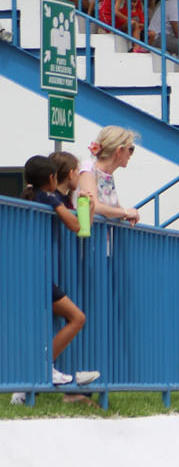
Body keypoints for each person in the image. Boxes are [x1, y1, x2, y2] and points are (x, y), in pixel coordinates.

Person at [21, 155, 100, 390]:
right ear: (52, 178)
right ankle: (42, 368)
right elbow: (78, 228)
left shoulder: (37, 195)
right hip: (38, 273)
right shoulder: (49, 197)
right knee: (77, 318)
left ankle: (30, 381)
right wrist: (87, 206)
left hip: (31, 271)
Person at [78, 126, 141, 224]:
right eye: (131, 149)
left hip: (100, 236)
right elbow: (94, 206)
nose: (131, 155)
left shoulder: (107, 176)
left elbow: (114, 207)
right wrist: (125, 213)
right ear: (119, 151)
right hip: (84, 235)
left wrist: (128, 215)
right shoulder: (88, 169)